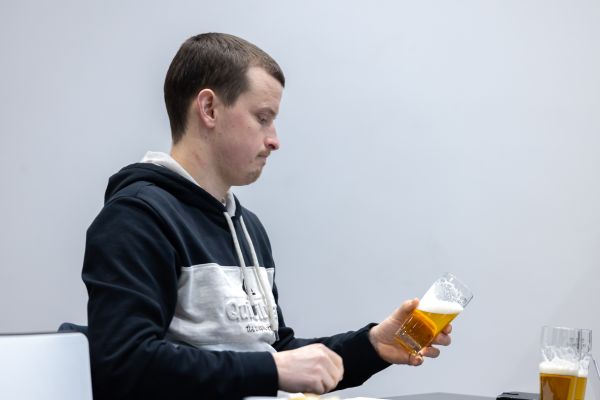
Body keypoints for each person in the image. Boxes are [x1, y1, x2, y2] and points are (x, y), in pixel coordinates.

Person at [82, 32, 452, 400]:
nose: (274, 140)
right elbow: (123, 365)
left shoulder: (248, 228)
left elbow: (275, 351)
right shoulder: (136, 219)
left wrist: (372, 346)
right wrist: (272, 370)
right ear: (209, 109)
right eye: (262, 118)